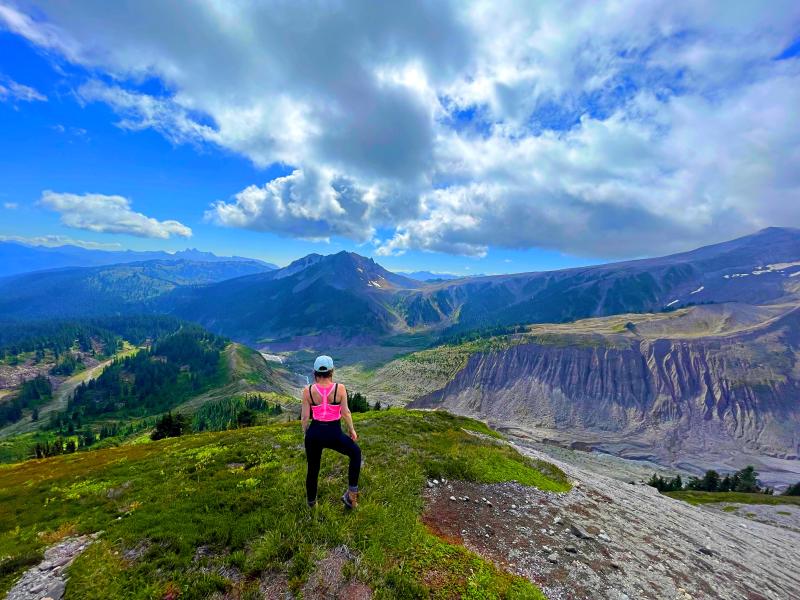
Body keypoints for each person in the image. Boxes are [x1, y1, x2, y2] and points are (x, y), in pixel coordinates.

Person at [301, 355, 361, 509]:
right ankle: (351, 497)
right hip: (334, 434)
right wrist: (352, 430)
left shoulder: (307, 391)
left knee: (313, 469)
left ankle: (311, 504)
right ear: (331, 371)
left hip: (314, 433)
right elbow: (346, 412)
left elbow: (305, 417)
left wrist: (306, 432)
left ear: (315, 373)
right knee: (355, 453)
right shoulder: (339, 389)